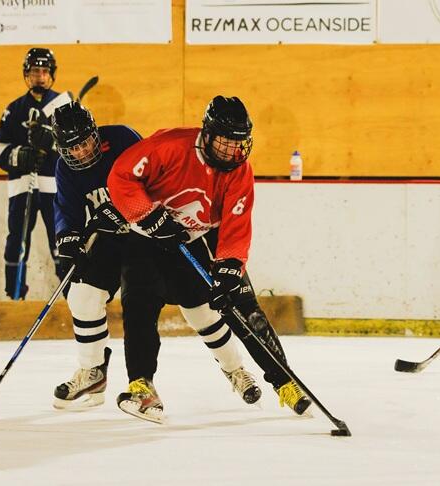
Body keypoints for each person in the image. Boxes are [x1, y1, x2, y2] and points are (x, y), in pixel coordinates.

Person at [49, 101, 262, 423]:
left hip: (151, 236)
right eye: (71, 148)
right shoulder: (65, 169)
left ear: (97, 133)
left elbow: (152, 180)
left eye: (85, 142)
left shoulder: (122, 138)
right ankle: (93, 372)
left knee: (201, 308)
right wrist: (68, 239)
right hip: (111, 243)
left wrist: (128, 209)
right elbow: (66, 211)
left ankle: (235, 369)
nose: (80, 153)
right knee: (83, 296)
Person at [106, 95, 312, 422]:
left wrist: (229, 268)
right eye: (226, 143)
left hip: (201, 236)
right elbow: (120, 176)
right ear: (207, 134)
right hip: (147, 238)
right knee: (139, 308)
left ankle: (285, 380)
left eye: (240, 144)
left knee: (242, 304)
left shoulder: (240, 172)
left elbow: (236, 224)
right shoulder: (170, 147)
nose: (234, 152)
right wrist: (148, 216)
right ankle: (141, 387)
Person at [0, 47, 66, 299]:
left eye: (45, 71)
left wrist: (53, 143)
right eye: (35, 71)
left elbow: (82, 147)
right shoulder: (13, 109)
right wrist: (20, 155)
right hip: (22, 185)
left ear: (51, 74)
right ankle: (14, 295)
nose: (40, 77)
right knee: (17, 242)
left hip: (56, 187)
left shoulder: (63, 106)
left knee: (62, 241)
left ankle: (73, 296)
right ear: (27, 74)